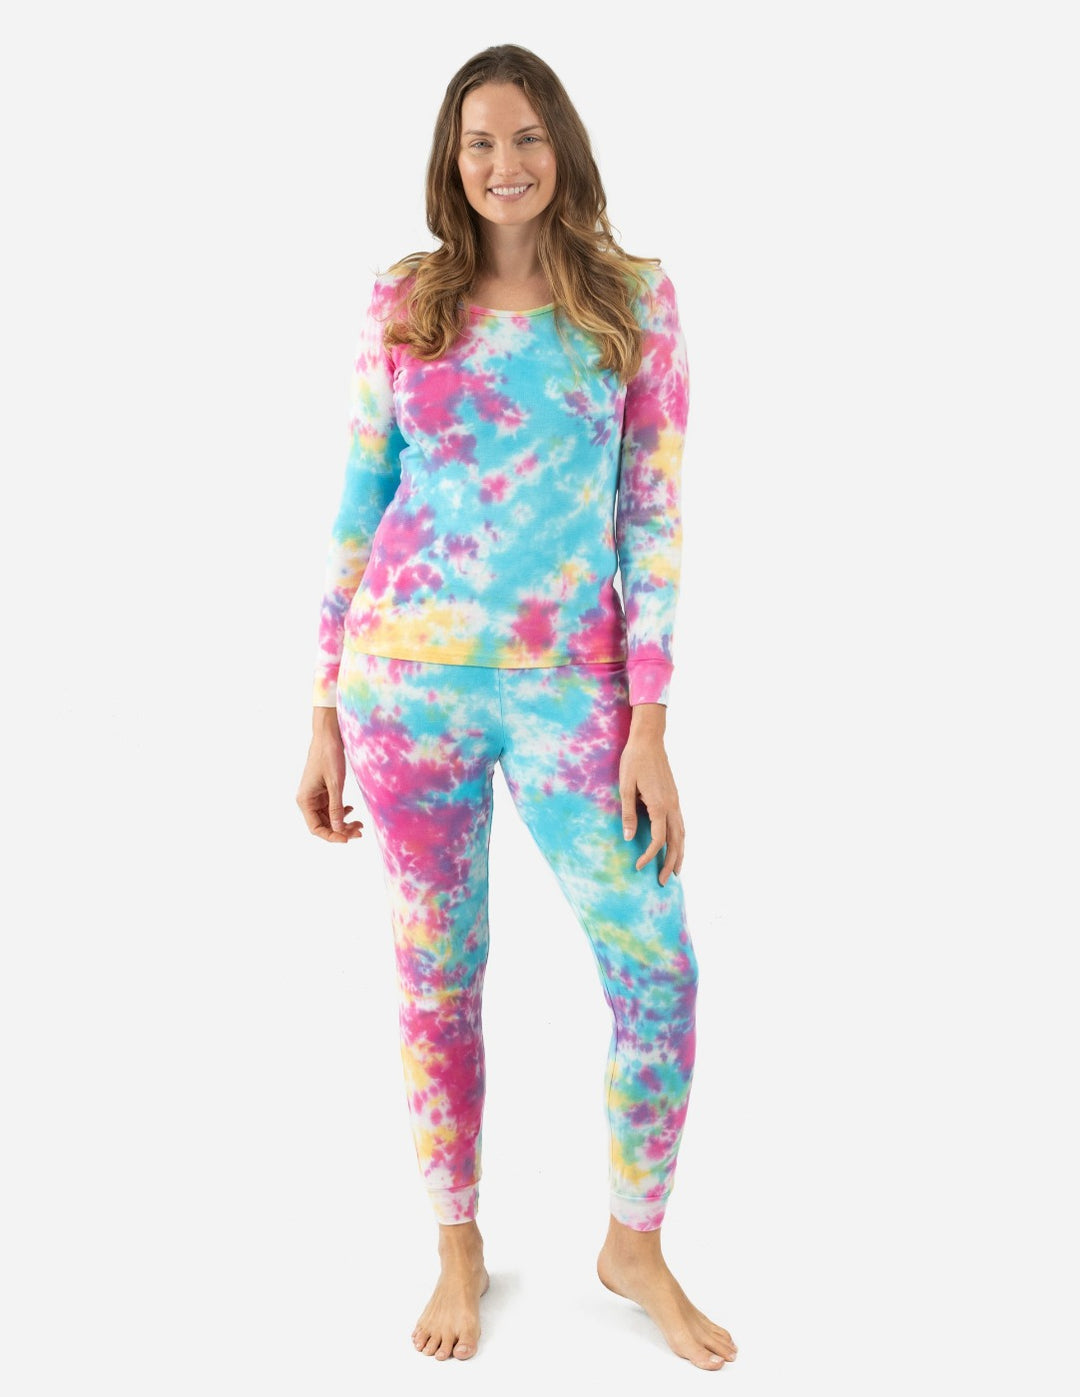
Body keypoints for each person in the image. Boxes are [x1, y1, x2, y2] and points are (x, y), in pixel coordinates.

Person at [295, 43, 737, 1371]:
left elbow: (651, 513)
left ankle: (633, 1242)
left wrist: (650, 721)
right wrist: (320, 704)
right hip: (404, 686)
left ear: (564, 149)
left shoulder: (633, 301)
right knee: (437, 978)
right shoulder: (405, 299)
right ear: (453, 159)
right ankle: (457, 1242)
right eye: (481, 141)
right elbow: (362, 493)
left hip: (574, 696)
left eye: (529, 137)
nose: (506, 163)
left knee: (657, 965)